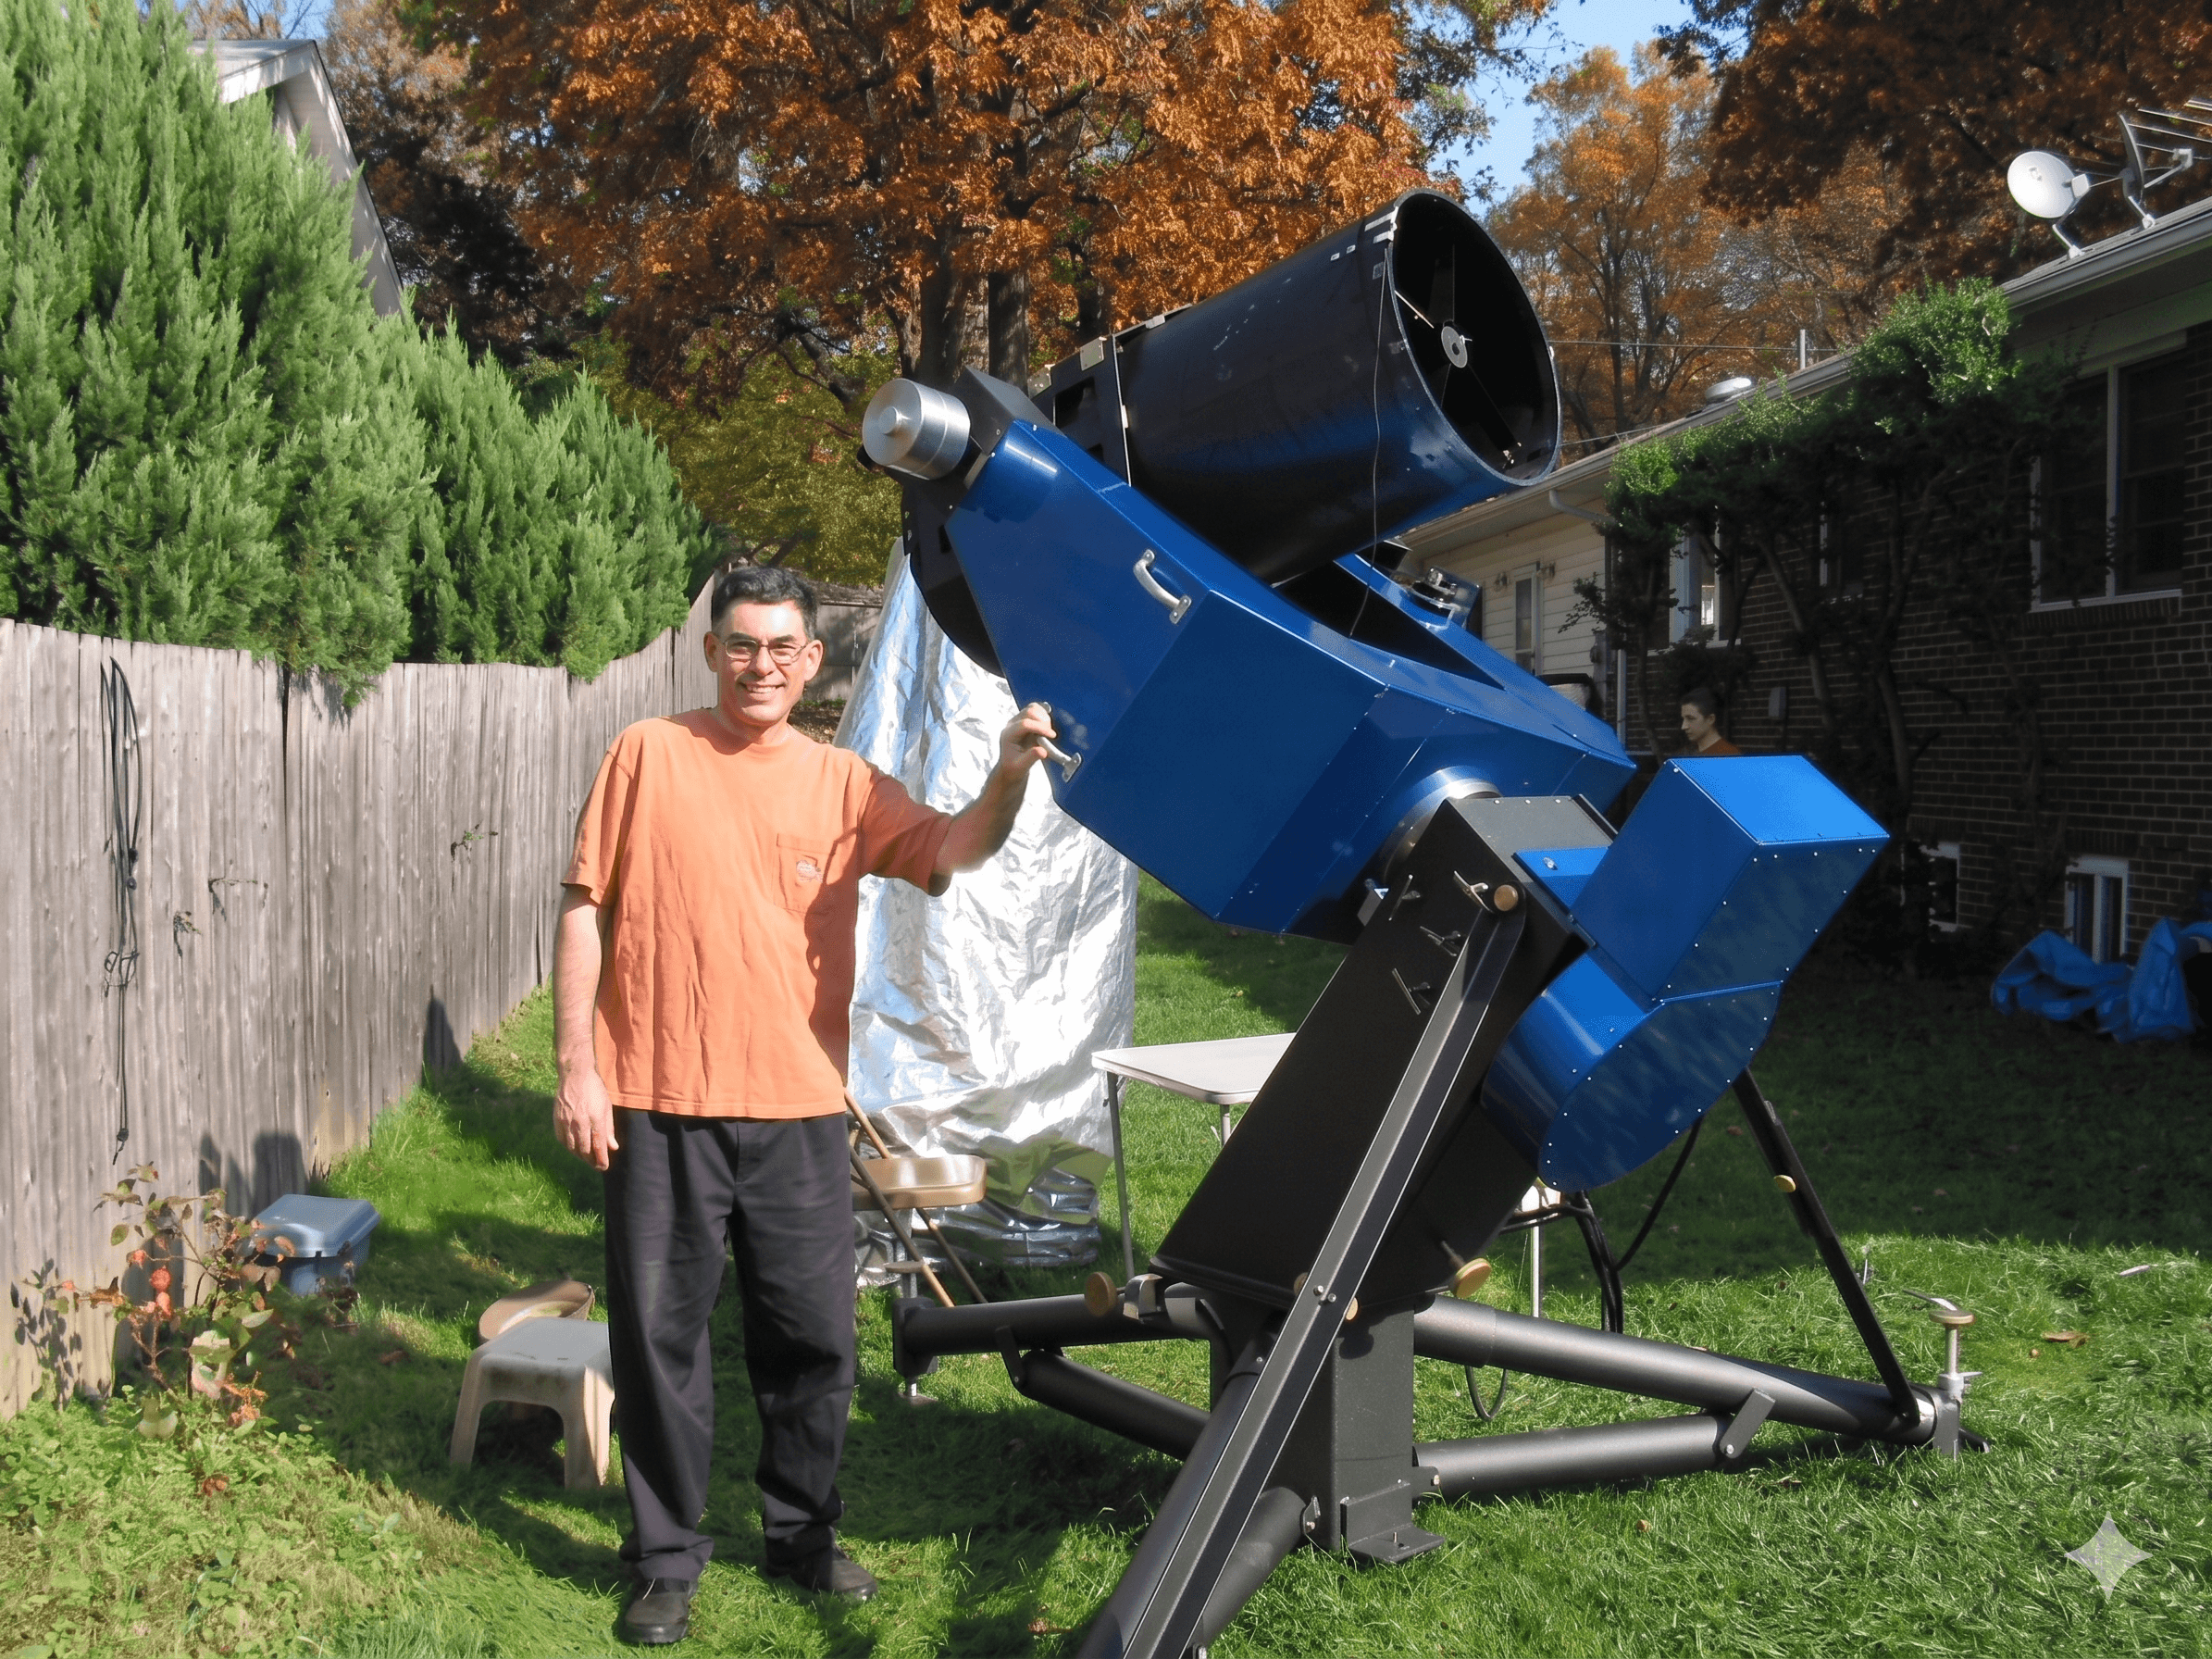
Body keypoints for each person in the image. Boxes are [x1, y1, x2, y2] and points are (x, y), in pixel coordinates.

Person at [553, 565, 1053, 1645]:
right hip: (656, 1098)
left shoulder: (843, 784)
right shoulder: (648, 753)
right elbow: (585, 908)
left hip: (796, 1110)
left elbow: (954, 847)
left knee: (815, 1338)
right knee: (659, 1341)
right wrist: (576, 1069)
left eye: (783, 647)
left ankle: (801, 1534)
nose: (761, 666)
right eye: (742, 644)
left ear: (812, 660)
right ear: (712, 650)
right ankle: (665, 1556)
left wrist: (1007, 774)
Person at [1679, 686, 1742, 756]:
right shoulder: (1686, 754)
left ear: (1710, 719)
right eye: (1683, 719)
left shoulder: (1728, 755)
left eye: (1690, 718)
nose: (1683, 726)